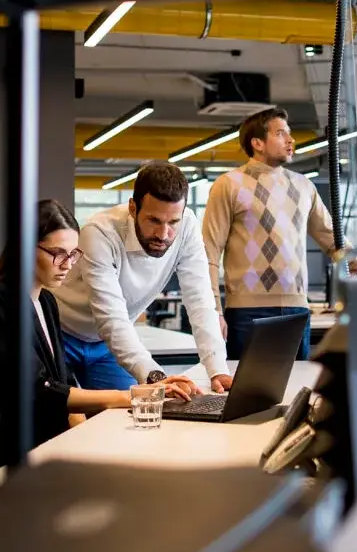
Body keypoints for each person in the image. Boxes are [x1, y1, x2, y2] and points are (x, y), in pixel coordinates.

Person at [0, 200, 133, 471]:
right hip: (22, 445)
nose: (67, 265)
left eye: (73, 254)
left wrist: (79, 414)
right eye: (57, 253)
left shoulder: (47, 301)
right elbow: (37, 389)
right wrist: (126, 397)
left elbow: (59, 377)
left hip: (47, 434)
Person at [53, 162, 231, 396]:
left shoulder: (187, 226)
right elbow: (111, 316)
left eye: (172, 222)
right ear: (133, 208)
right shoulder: (100, 232)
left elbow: (200, 300)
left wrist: (218, 370)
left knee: (134, 415)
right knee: (59, 417)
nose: (163, 234)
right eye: (154, 220)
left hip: (106, 347)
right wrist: (157, 377)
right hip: (61, 336)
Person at [202, 107, 337, 361]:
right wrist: (214, 312)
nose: (290, 140)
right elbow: (208, 253)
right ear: (258, 143)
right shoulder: (229, 184)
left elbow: (333, 240)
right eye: (280, 134)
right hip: (247, 313)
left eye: (290, 134)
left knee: (296, 392)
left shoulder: (304, 186)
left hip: (297, 309)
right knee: (247, 395)